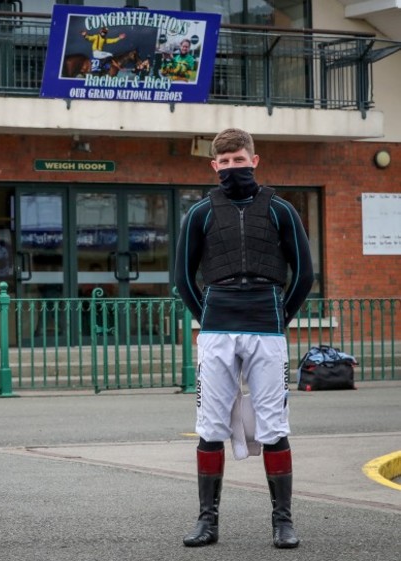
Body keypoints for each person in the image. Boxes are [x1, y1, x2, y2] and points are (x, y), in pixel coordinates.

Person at [174, 128, 314, 549]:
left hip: (266, 328)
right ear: (214, 166)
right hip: (217, 330)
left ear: (255, 160)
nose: (234, 167)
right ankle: (207, 521)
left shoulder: (281, 210)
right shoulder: (199, 212)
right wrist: (210, 318)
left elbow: (304, 275)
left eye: (240, 159)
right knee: (210, 426)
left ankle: (283, 522)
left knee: (274, 425)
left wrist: (279, 317)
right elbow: (182, 277)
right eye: (226, 162)